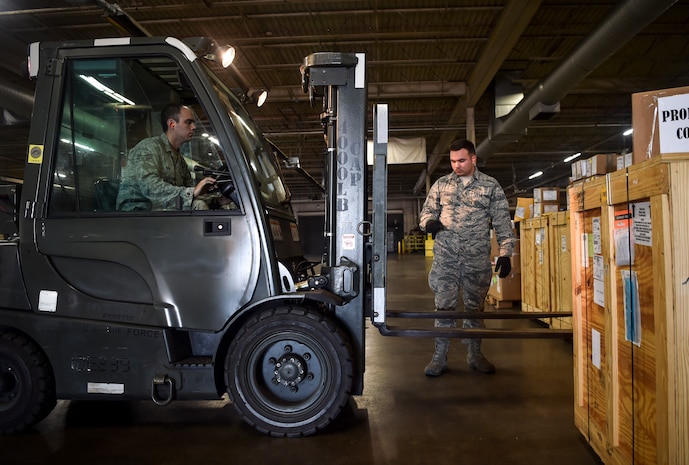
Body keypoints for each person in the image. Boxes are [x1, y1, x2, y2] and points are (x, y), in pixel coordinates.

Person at [419, 139, 514, 377]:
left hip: (476, 259)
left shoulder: (490, 186)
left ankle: (475, 355)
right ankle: (439, 358)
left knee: (475, 310)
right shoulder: (441, 185)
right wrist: (428, 223)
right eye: (452, 161)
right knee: (444, 309)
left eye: (461, 160)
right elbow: (426, 213)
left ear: (473, 158)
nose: (456, 166)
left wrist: (505, 253)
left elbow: (502, 222)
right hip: (446, 260)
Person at [116, 103, 219, 211]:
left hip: (163, 214)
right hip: (137, 216)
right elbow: (150, 188)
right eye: (188, 122)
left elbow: (187, 190)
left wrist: (216, 201)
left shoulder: (179, 159)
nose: (194, 127)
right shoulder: (148, 148)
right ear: (172, 124)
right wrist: (192, 192)